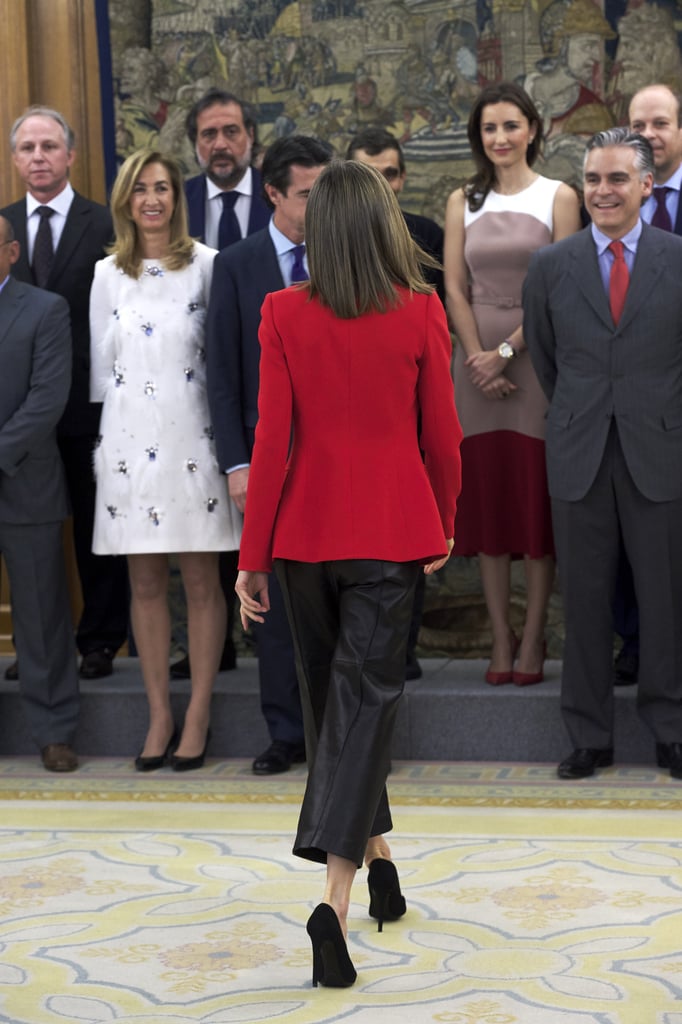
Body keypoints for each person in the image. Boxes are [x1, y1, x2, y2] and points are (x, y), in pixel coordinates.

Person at [235, 160, 462, 986]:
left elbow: (271, 442)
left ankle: (383, 866)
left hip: (303, 539)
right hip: (391, 535)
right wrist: (445, 516)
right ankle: (334, 901)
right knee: (361, 705)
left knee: (338, 707)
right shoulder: (421, 311)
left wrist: (253, 555)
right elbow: (443, 436)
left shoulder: (283, 310)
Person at [523, 127, 682, 781]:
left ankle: (672, 729)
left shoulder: (678, 259)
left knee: (666, 600)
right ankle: (589, 734)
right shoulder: (551, 266)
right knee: (584, 600)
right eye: (592, 179)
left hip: (660, 453)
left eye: (617, 178)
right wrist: (585, 414)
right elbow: (548, 359)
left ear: (647, 184)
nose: (602, 191)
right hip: (580, 451)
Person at [89, 150, 241, 772]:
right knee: (145, 582)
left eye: (163, 188)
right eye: (140, 189)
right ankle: (159, 713)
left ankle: (199, 709)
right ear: (126, 199)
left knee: (203, 582)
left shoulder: (208, 265)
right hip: (129, 443)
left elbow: (222, 361)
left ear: (178, 197)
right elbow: (102, 376)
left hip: (195, 441)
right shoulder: (105, 274)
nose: (152, 199)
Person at [443, 82, 581, 687]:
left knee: (533, 507)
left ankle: (533, 642)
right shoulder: (461, 200)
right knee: (489, 508)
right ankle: (499, 638)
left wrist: (504, 353)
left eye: (510, 126)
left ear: (533, 129)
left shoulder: (560, 196)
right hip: (473, 372)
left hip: (535, 362)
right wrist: (477, 357)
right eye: (489, 129)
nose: (499, 138)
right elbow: (452, 286)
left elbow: (564, 287)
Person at [206, 134, 333, 775]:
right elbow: (223, 374)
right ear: (274, 194)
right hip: (267, 462)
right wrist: (236, 463)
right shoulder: (236, 263)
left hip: (342, 460)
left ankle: (346, 737)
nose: (321, 203)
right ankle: (286, 732)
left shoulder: (349, 256)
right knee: (273, 600)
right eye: (309, 193)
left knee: (344, 597)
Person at [1, 106, 129, 682]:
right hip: (15, 418)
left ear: (71, 155)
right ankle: (36, 652)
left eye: (49, 147)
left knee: (93, 524)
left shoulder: (104, 225)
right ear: (14, 159)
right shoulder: (0, 225)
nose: (38, 158)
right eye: (27, 148)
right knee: (27, 538)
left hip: (86, 406)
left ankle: (99, 639)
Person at [170, 88, 271, 682]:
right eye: (208, 134)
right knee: (204, 516)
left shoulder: (280, 198)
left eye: (230, 131)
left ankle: (267, 643)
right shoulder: (175, 202)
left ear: (250, 138)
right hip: (189, 386)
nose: (220, 144)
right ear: (196, 144)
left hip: (265, 378)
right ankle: (215, 646)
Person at [346, 126, 445, 680]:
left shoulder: (425, 234)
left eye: (389, 173)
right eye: (368, 174)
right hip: (352, 411)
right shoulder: (332, 239)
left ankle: (402, 649)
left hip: (411, 405)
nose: (381, 185)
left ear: (402, 178)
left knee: (411, 528)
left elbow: (438, 319)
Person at [0, 215, 80, 772]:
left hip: (25, 482)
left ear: (9, 251)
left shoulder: (45, 309)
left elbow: (47, 399)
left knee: (41, 614)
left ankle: (54, 731)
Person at [609, 84, 682, 688]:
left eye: (660, 122)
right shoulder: (606, 200)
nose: (650, 133)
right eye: (639, 123)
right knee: (628, 548)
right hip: (624, 414)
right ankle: (634, 645)